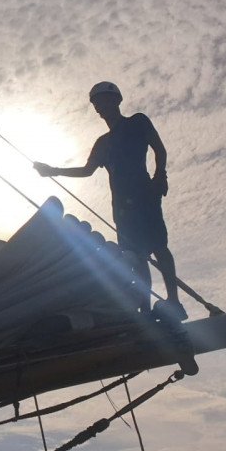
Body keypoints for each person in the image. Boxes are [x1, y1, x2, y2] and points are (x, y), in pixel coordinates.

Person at [33, 81, 186, 320]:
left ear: (116, 100)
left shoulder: (138, 122)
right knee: (135, 256)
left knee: (158, 247)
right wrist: (53, 170)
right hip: (122, 205)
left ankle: (174, 301)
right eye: (96, 103)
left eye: (103, 101)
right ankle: (144, 307)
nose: (100, 107)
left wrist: (160, 176)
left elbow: (160, 150)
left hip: (144, 194)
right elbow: (87, 171)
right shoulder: (102, 143)